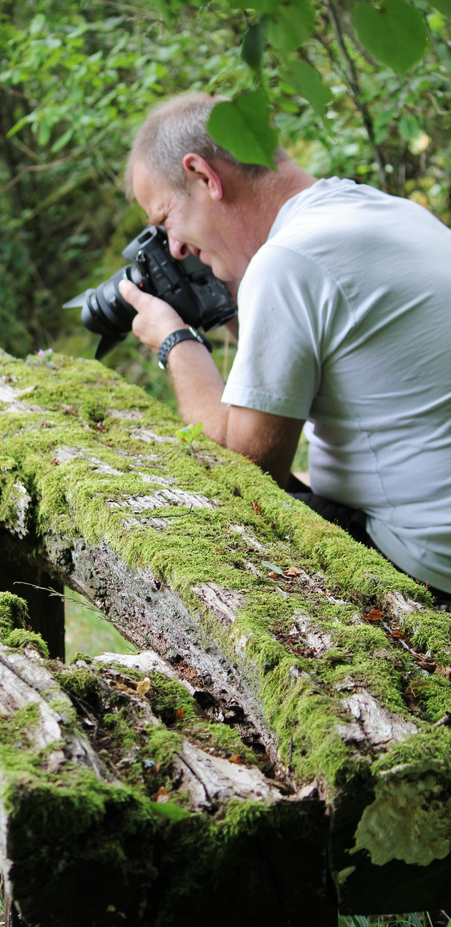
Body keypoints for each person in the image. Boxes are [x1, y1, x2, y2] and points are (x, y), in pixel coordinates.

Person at [119, 92, 451, 601]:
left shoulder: (289, 261)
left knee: (212, 520)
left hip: (427, 571)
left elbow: (243, 473)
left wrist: (175, 341)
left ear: (204, 176)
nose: (177, 249)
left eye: (165, 222)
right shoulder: (387, 211)